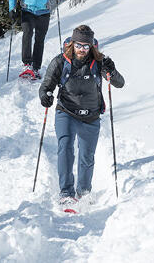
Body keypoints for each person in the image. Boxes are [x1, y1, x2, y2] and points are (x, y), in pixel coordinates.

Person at [39, 25, 124, 204]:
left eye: (86, 46)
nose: (82, 50)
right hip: (66, 112)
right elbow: (47, 84)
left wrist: (112, 71)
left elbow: (119, 83)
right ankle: (66, 192)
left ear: (92, 45)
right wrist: (45, 95)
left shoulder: (100, 62)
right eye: (79, 45)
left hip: (91, 115)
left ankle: (84, 192)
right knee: (66, 148)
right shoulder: (60, 61)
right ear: (72, 43)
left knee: (86, 155)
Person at [8, 0, 64, 80]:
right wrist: (12, 8)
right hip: (27, 11)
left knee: (40, 39)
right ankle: (27, 64)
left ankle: (36, 68)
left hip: (43, 12)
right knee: (27, 34)